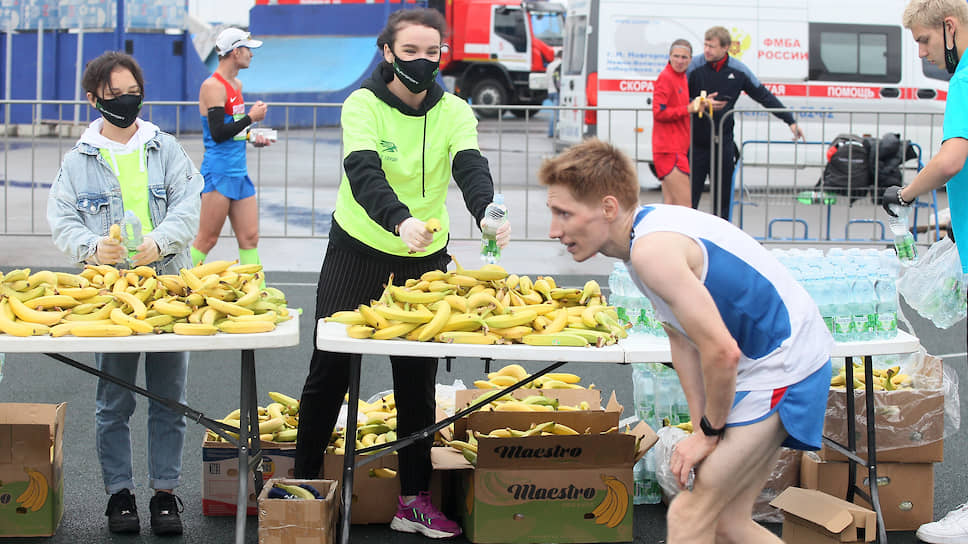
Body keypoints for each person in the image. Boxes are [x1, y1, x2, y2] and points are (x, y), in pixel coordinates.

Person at [539, 138, 833, 544]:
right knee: (728, 523)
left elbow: (721, 351)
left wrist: (709, 433)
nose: (554, 230)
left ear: (608, 208)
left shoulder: (651, 252)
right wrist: (701, 429)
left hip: (783, 363)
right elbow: (682, 341)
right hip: (776, 358)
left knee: (689, 512)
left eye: (563, 213)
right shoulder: (640, 242)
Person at [293, 8, 510, 539]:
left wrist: (487, 211)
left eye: (431, 51)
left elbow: (470, 167)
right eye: (409, 51)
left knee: (416, 381)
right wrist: (399, 219)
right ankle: (300, 492)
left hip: (423, 258)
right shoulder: (362, 104)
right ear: (388, 53)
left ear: (442, 54)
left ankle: (412, 500)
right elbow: (363, 171)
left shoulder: (456, 109)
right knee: (330, 373)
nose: (421, 60)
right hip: (359, 248)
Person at [46, 51, 202, 535]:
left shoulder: (167, 148)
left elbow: (188, 201)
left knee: (169, 400)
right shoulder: (78, 160)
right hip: (109, 296)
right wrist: (92, 247)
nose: (124, 100)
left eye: (131, 90)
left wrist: (162, 241)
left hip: (172, 286)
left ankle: (164, 494)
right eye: (113, 95)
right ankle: (119, 495)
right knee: (114, 402)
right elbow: (62, 220)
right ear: (93, 99)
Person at [882, 2, 968, 542]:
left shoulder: (965, 77)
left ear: (950, 27)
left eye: (922, 41)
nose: (921, 53)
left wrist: (908, 191)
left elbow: (953, 156)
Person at [687, 26, 805, 219]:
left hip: (723, 143)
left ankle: (721, 240)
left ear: (726, 48)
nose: (707, 50)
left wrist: (790, 121)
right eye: (706, 45)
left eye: (712, 46)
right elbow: (676, 98)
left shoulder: (738, 70)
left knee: (722, 200)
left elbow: (764, 95)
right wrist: (696, 103)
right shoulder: (694, 67)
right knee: (690, 201)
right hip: (696, 144)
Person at [191, 27, 271, 273]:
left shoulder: (237, 83)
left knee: (250, 238)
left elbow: (232, 130)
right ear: (236, 52)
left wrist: (251, 136)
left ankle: (258, 295)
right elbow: (217, 133)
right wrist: (251, 118)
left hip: (239, 172)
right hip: (218, 172)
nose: (251, 55)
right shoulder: (213, 86)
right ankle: (177, 282)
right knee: (207, 239)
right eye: (248, 50)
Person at [653, 39, 717, 206]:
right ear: (669, 57)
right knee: (684, 206)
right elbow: (659, 112)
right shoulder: (666, 78)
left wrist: (698, 103)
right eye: (676, 56)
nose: (680, 61)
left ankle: (664, 232)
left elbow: (680, 106)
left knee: (672, 204)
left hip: (677, 149)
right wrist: (688, 109)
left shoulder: (680, 77)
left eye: (684, 57)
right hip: (669, 150)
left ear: (690, 59)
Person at [546, 49, 562, 138]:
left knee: (555, 112)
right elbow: (557, 79)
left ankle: (552, 131)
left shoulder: (550, 65)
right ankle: (551, 132)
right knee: (556, 114)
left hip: (550, 91)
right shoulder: (560, 65)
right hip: (557, 91)